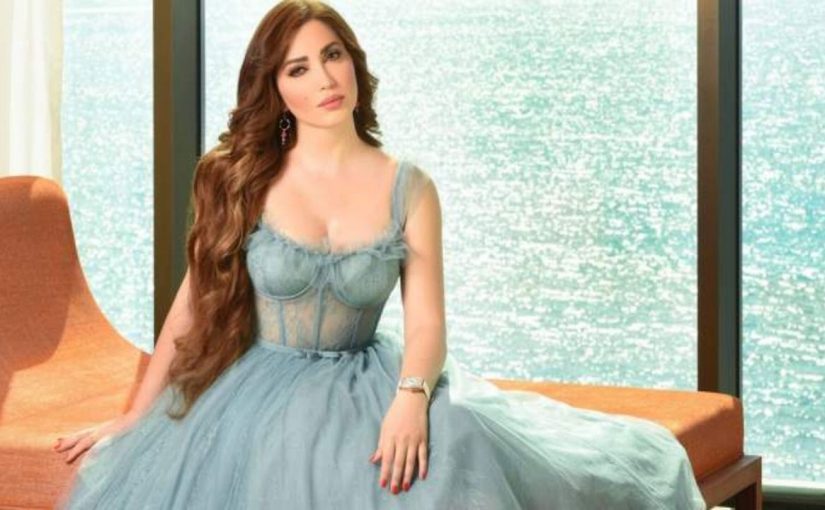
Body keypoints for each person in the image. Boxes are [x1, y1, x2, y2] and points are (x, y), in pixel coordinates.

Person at [54, 1, 707, 508]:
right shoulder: (239, 178)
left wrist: (411, 398)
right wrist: (135, 415)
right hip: (258, 388)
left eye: (331, 55)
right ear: (275, 89)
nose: (324, 78)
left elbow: (427, 324)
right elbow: (192, 305)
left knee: (455, 439)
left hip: (375, 376)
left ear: (353, 62)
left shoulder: (409, 186)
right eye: (298, 68)